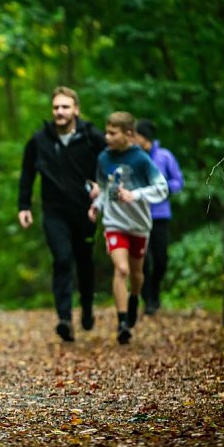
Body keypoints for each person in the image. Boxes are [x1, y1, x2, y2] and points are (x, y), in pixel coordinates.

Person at [17, 86, 106, 342]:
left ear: (76, 109)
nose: (60, 112)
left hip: (85, 211)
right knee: (63, 259)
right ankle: (64, 318)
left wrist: (102, 185)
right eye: (56, 107)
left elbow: (111, 162)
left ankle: (87, 308)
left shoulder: (92, 137)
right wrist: (24, 206)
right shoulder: (39, 140)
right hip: (54, 211)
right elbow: (27, 174)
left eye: (65, 107)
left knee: (85, 262)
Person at [88, 112, 168, 344]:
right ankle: (122, 322)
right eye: (107, 132)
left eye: (113, 133)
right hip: (114, 223)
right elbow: (105, 189)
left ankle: (134, 298)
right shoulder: (103, 158)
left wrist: (136, 194)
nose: (107, 137)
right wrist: (96, 206)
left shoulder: (141, 159)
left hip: (139, 224)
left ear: (128, 134)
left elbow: (161, 188)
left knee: (136, 273)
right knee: (121, 270)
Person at [133, 119, 184, 315]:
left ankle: (154, 290)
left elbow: (178, 181)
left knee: (161, 260)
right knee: (142, 260)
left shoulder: (164, 156)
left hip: (160, 215)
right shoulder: (132, 157)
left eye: (135, 136)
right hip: (137, 216)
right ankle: (148, 300)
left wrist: (163, 189)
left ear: (143, 137)